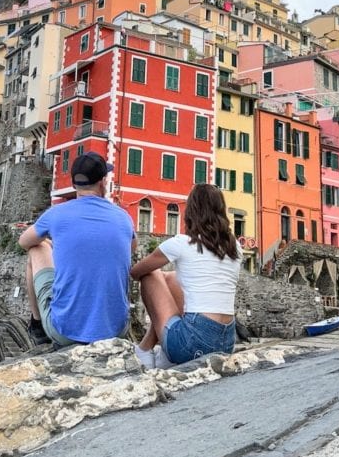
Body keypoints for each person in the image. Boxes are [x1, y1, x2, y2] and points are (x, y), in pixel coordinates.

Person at [18, 151, 135, 348]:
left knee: (37, 248)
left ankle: (38, 325)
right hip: (115, 331)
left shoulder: (56, 214)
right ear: (103, 182)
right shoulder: (124, 217)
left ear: (74, 185)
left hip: (64, 332)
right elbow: (132, 247)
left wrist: (53, 244)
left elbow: (24, 242)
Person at [131, 183, 241, 368]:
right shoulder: (235, 248)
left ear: (191, 211)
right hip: (227, 342)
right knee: (172, 278)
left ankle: (144, 350)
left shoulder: (181, 243)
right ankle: (166, 355)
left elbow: (136, 272)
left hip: (192, 344)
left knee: (152, 274)